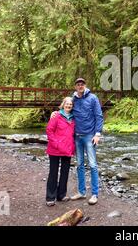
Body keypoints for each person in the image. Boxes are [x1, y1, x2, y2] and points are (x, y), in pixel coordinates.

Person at [52, 77, 104, 205]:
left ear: (85, 85)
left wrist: (97, 134)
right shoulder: (73, 99)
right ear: (75, 87)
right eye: (78, 84)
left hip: (89, 136)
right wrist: (55, 113)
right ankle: (81, 192)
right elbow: (66, 110)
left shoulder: (93, 98)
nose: (80, 86)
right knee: (79, 165)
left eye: (82, 84)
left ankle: (94, 194)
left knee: (92, 165)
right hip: (77, 137)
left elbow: (99, 116)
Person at [45, 97, 75, 206]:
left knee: (65, 172)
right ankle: (50, 197)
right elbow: (49, 130)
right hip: (55, 149)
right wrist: (56, 143)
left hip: (67, 149)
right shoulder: (56, 115)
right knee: (53, 173)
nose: (69, 105)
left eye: (71, 104)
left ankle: (61, 195)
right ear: (63, 104)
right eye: (67, 103)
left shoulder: (73, 118)